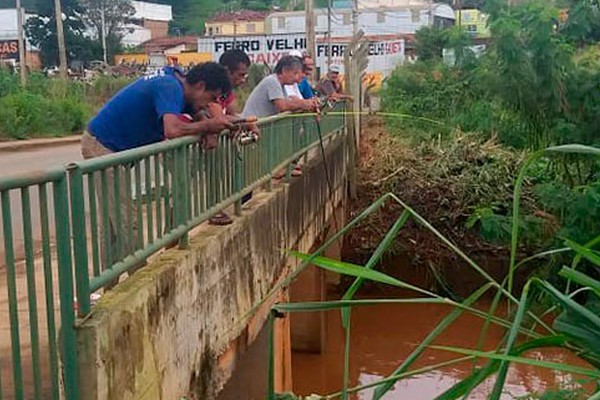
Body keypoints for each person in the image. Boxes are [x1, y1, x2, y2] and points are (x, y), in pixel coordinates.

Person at [82, 62, 233, 286]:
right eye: (210, 97)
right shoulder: (169, 86)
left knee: (113, 224)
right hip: (103, 147)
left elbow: (194, 110)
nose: (209, 104)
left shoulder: (178, 83)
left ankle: (106, 285)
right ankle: (143, 281)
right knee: (126, 218)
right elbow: (172, 130)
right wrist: (210, 127)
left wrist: (207, 125)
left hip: (114, 148)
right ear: (200, 85)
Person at [209, 49, 254, 226]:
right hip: (182, 143)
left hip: (212, 142)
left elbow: (233, 113)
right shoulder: (210, 87)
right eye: (240, 75)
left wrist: (244, 122)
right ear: (226, 70)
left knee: (217, 174)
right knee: (184, 191)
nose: (243, 80)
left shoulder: (227, 92)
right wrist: (243, 122)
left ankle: (218, 207)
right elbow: (219, 117)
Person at [242, 55, 318, 118]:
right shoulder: (272, 81)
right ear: (284, 71)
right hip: (252, 126)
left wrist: (307, 103)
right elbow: (282, 106)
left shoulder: (281, 85)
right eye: (295, 73)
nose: (296, 78)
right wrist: (303, 104)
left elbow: (289, 101)